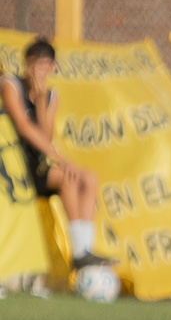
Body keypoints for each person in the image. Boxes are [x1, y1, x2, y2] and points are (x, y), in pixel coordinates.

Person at [0, 38, 110, 270]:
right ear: (26, 65)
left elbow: (45, 136)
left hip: (36, 162)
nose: (37, 72)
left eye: (43, 66)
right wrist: (62, 159)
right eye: (33, 65)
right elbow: (22, 125)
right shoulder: (11, 85)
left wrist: (41, 103)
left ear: (52, 67)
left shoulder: (51, 96)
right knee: (67, 176)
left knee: (88, 177)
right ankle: (80, 252)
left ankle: (84, 251)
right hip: (13, 163)